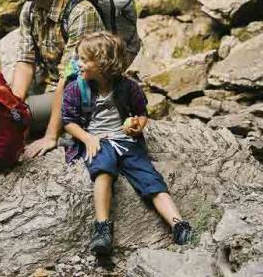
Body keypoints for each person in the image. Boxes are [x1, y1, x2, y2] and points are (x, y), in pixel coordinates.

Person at [61, 32, 192, 255]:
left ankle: (178, 224)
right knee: (103, 171)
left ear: (102, 64)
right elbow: (69, 122)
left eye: (84, 60)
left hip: (126, 141)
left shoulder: (128, 87)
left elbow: (141, 113)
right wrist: (88, 138)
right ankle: (102, 227)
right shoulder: (76, 88)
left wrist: (137, 126)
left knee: (150, 179)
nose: (78, 64)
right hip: (98, 140)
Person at [11, 0, 105, 159]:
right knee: (4, 110)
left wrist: (50, 136)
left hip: (82, 90)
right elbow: (25, 61)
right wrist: (12, 105)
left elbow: (70, 77)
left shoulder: (80, 13)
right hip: (49, 83)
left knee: (13, 117)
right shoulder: (29, 9)